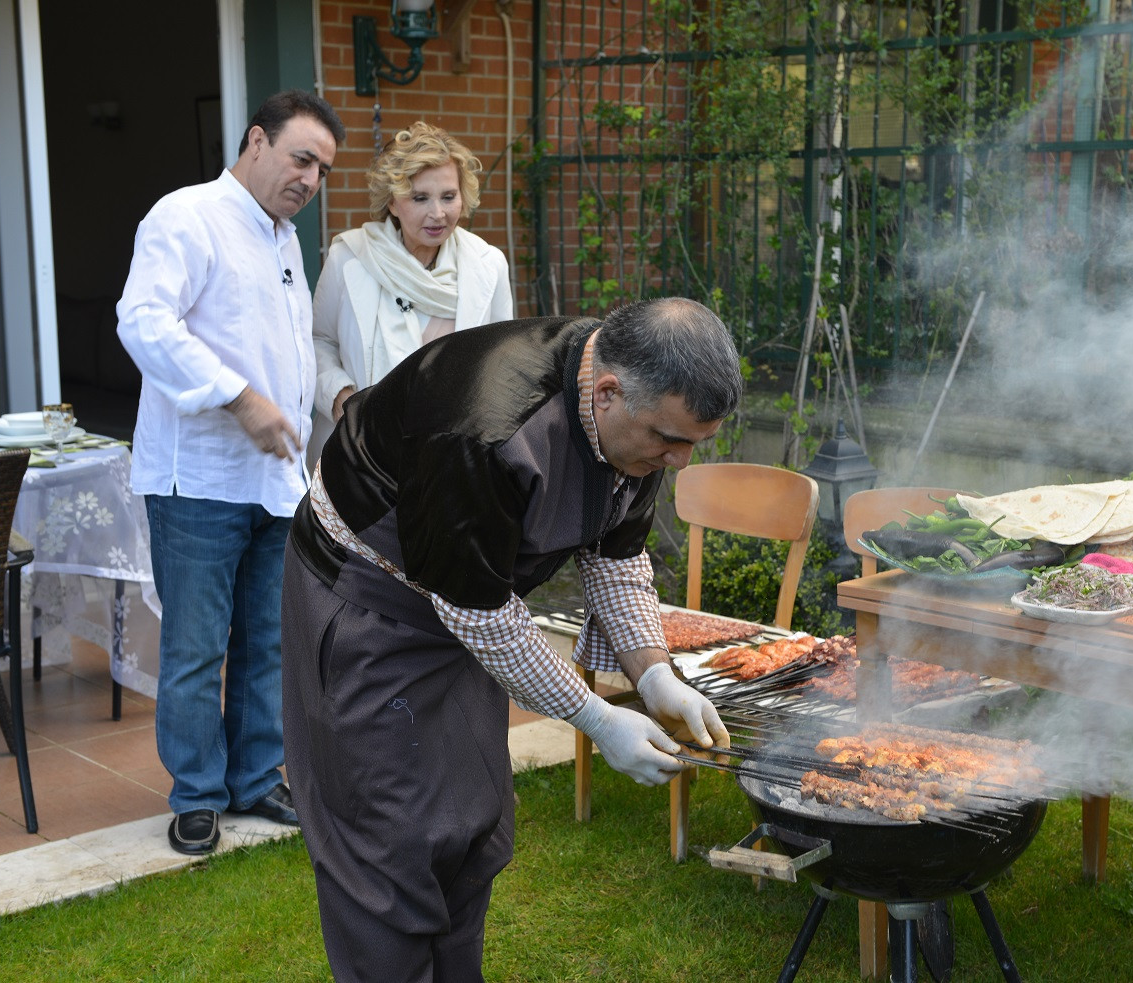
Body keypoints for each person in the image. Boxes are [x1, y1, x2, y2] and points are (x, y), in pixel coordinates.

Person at [282, 297, 740, 980]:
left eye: (691, 444)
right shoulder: (483, 427)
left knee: (471, 825)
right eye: (668, 438)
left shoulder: (629, 417)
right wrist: (596, 718)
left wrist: (653, 675)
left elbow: (615, 558)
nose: (676, 458)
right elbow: (484, 620)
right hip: (369, 610)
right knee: (389, 846)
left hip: (464, 602)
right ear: (609, 392)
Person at [116, 89, 344, 855]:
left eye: (322, 169)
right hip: (198, 482)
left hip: (275, 482)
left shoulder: (281, 237)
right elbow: (144, 321)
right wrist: (240, 398)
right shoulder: (185, 217)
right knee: (196, 647)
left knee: (268, 643)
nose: (311, 179)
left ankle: (255, 776)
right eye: (301, 158)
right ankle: (197, 794)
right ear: (256, 140)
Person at [308, 121, 512, 467]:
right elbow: (317, 342)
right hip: (361, 455)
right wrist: (343, 400)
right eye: (420, 198)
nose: (438, 213)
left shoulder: (488, 265)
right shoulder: (350, 257)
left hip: (453, 461)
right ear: (392, 202)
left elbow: (503, 362)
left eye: (449, 197)